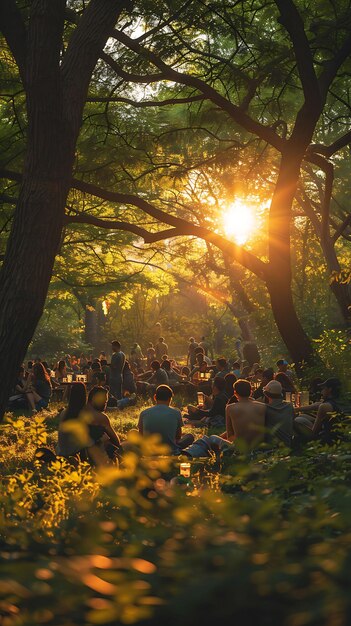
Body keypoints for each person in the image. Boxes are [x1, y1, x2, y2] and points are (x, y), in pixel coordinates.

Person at [57, 382, 109, 465]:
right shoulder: (82, 415)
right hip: (74, 452)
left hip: (61, 451)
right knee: (101, 436)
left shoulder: (64, 413)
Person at [138, 385, 194, 454]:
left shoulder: (144, 413)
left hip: (149, 452)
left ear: (155, 397)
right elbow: (178, 437)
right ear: (170, 399)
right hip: (171, 452)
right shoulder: (176, 412)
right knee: (189, 437)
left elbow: (140, 436)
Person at [294, 377, 342, 442]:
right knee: (303, 416)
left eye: (323, 389)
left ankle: (296, 442)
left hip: (327, 438)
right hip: (340, 434)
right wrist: (296, 409)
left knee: (297, 420)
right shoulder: (339, 401)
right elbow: (314, 406)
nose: (321, 391)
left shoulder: (324, 406)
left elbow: (314, 432)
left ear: (330, 389)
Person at [225, 379, 266, 446]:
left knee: (213, 438)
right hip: (259, 446)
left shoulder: (230, 408)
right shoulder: (263, 406)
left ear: (235, 393)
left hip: (241, 447)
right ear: (251, 392)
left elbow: (229, 436)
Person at [263, 380, 294, 446]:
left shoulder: (265, 408)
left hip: (271, 448)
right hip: (288, 445)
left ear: (267, 395)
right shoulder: (289, 406)